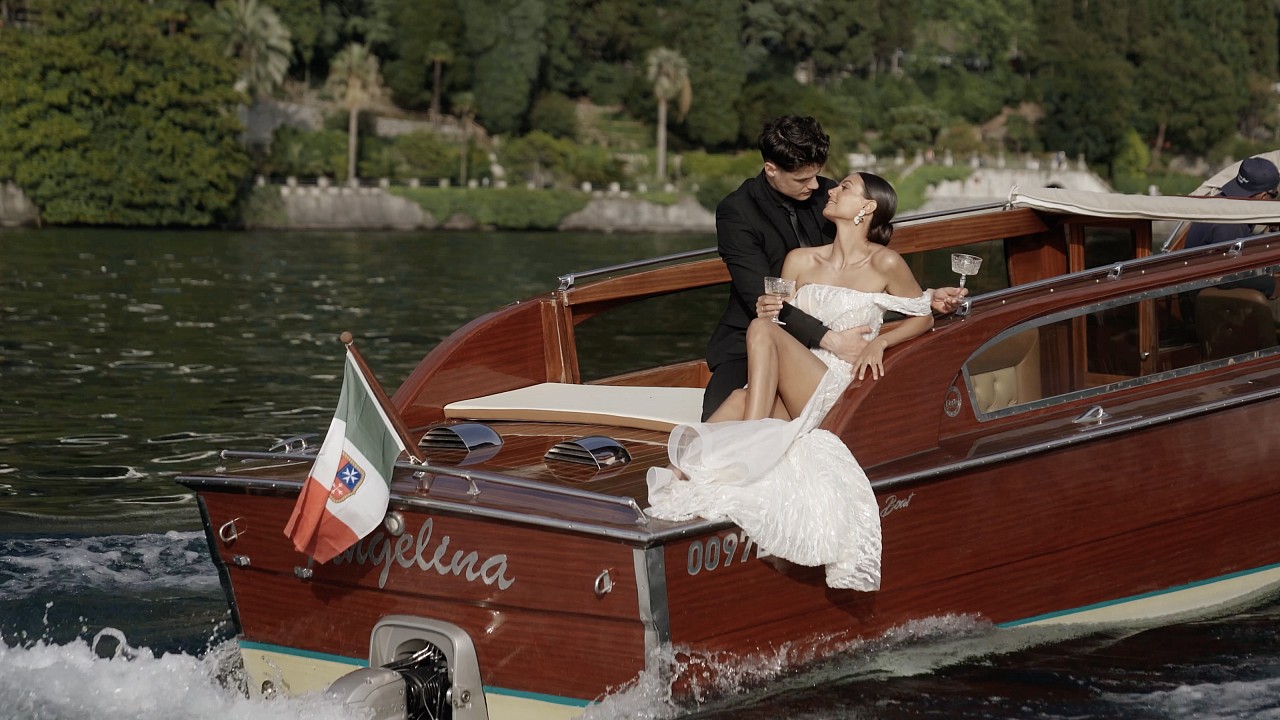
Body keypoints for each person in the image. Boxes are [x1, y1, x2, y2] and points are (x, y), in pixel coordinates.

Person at [647, 172, 935, 591]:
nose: (830, 190)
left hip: (835, 381)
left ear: (867, 208)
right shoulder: (800, 259)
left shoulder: (884, 262)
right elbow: (778, 317)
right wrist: (770, 307)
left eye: (844, 188)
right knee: (727, 409)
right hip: (796, 372)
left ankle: (751, 446)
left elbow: (922, 315)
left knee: (760, 340)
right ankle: (658, 529)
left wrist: (881, 343)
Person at [703, 114, 964, 421]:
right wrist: (831, 340)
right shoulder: (737, 212)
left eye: (818, 176)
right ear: (771, 169)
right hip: (752, 340)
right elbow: (758, 297)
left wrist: (922, 299)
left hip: (829, 353)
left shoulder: (830, 197)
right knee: (715, 420)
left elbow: (863, 275)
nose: (817, 186)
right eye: (802, 179)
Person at [1185, 156, 1280, 297]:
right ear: (1263, 196)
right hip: (1205, 304)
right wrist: (1272, 285)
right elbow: (1227, 279)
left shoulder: (1220, 202)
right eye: (1275, 196)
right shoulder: (1230, 225)